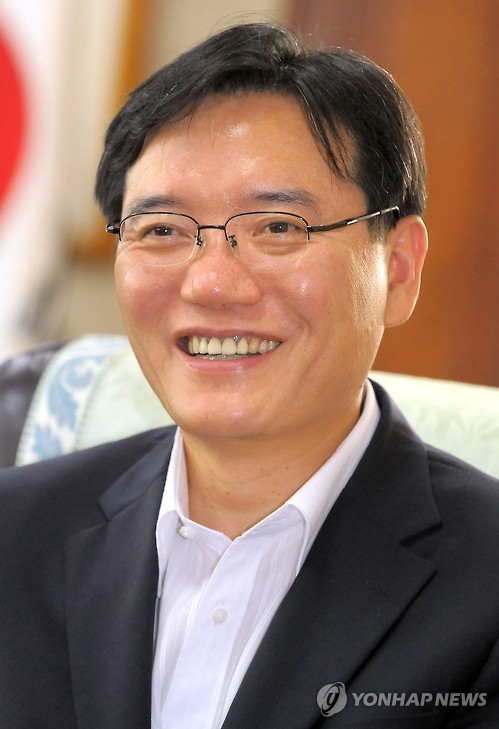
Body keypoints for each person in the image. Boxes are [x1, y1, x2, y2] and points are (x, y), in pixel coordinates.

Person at [1, 22, 498, 729]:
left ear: (397, 268)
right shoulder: (15, 531)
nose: (210, 283)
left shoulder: (483, 583)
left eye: (278, 227)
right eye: (162, 230)